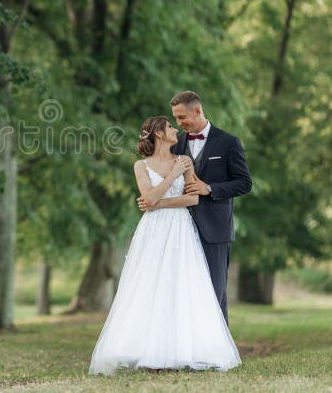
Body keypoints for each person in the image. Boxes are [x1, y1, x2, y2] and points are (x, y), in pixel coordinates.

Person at [89, 116, 241, 374]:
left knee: (181, 285)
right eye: (170, 126)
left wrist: (157, 203)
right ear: (159, 134)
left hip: (181, 229)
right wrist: (170, 178)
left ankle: (181, 351)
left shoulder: (185, 161)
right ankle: (149, 352)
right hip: (153, 232)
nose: (175, 129)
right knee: (151, 284)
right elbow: (148, 195)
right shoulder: (141, 166)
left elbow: (192, 199)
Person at [142, 91, 252, 324]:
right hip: (178, 230)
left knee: (214, 289)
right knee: (183, 292)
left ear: (198, 111)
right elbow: (160, 173)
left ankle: (220, 352)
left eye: (182, 118)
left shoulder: (228, 142)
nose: (179, 124)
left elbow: (244, 183)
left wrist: (210, 188)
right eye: (176, 119)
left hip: (214, 229)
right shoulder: (176, 143)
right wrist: (151, 199)